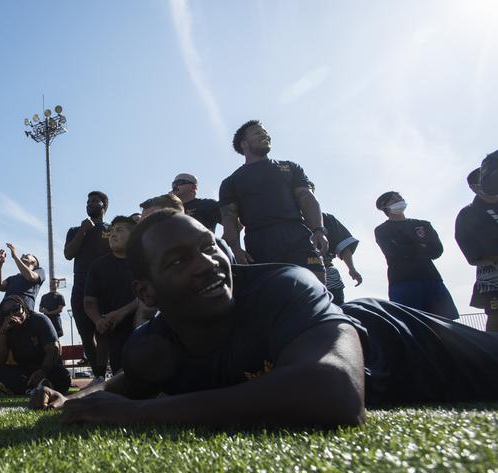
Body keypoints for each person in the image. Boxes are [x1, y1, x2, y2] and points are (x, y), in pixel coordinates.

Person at [30, 210, 498, 426]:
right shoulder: (153, 345)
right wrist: (71, 398)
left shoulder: (286, 284)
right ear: (146, 292)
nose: (208, 263)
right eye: (178, 261)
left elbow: (334, 392)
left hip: (418, 344)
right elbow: (123, 383)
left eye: (209, 247)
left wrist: (144, 415)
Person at [218, 120, 328, 283]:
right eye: (257, 133)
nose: (264, 135)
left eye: (265, 132)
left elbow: (306, 197)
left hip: (296, 233)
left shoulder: (290, 167)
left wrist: (318, 230)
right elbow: (229, 217)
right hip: (260, 240)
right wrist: (235, 248)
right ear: (244, 144)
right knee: (273, 293)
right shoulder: (231, 182)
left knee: (317, 285)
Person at [374, 191, 458, 319]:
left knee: (445, 322)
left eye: (400, 197)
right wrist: (421, 246)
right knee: (411, 324)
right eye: (394, 200)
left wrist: (410, 248)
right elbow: (395, 252)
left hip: (432, 278)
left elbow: (437, 250)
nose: (399, 200)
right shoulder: (382, 230)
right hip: (402, 282)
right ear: (385, 208)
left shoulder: (423, 224)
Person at [83, 215, 138, 380]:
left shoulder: (143, 260)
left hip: (145, 325)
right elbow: (89, 301)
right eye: (112, 231)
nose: (113, 234)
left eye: (119, 230)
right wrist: (98, 320)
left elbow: (154, 294)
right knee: (125, 381)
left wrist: (123, 312)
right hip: (115, 331)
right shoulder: (98, 266)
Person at [64, 191, 111, 378]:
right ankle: (98, 375)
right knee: (86, 333)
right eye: (88, 201)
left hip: (104, 284)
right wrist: (83, 231)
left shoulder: (111, 229)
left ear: (104, 205)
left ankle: (104, 374)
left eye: (95, 201)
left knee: (103, 331)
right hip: (81, 283)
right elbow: (68, 254)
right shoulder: (75, 230)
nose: (90, 203)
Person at [0, 296, 71, 395]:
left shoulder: (39, 320)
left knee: (63, 376)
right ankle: (31, 389)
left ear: (24, 307)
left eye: (16, 309)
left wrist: (43, 371)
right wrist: (2, 333)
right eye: (6, 313)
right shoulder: (7, 329)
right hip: (24, 372)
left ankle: (15, 389)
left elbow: (54, 349)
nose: (12, 314)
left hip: (47, 368)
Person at [455, 153, 498, 331]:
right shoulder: (467, 214)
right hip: (492, 278)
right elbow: (471, 255)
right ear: (473, 188)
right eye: (478, 182)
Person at [321, 212, 363, 306]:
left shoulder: (325, 218)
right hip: (292, 275)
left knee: (335, 311)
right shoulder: (282, 216)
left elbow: (343, 245)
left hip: (328, 274)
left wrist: (352, 269)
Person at [0, 244, 45, 312]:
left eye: (28, 254)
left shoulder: (40, 271)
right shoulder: (12, 278)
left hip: (24, 312)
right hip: (6, 311)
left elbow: (31, 276)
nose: (23, 254)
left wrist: (15, 256)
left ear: (34, 262)